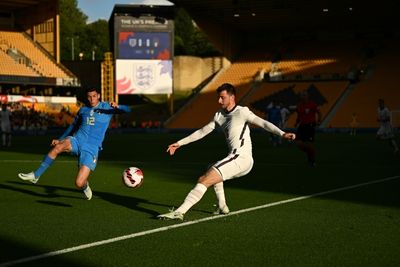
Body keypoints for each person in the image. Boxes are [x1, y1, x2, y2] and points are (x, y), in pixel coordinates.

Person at [157, 83, 296, 220]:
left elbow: (264, 123)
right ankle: (222, 206)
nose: (219, 101)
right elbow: (202, 132)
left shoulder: (242, 112)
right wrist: (179, 143)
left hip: (242, 158)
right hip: (235, 158)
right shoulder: (219, 115)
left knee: (204, 179)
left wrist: (282, 133)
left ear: (232, 97)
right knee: (210, 168)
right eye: (218, 97)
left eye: (222, 97)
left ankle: (179, 212)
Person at [18, 87, 131, 200]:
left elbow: (128, 109)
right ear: (87, 97)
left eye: (94, 96)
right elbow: (73, 126)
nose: (92, 99)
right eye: (89, 97)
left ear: (99, 96)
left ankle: (85, 186)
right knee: (58, 147)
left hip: (91, 148)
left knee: (78, 183)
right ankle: (36, 175)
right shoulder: (83, 110)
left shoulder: (107, 107)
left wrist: (118, 106)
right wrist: (60, 139)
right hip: (77, 140)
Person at [295, 91, 321, 167]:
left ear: (307, 96)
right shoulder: (299, 105)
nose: (303, 96)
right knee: (299, 144)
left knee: (309, 144)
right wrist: (297, 122)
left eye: (304, 95)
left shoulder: (312, 104)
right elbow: (299, 115)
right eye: (302, 95)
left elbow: (319, 112)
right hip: (302, 126)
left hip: (310, 126)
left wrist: (319, 121)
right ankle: (310, 154)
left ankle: (312, 160)